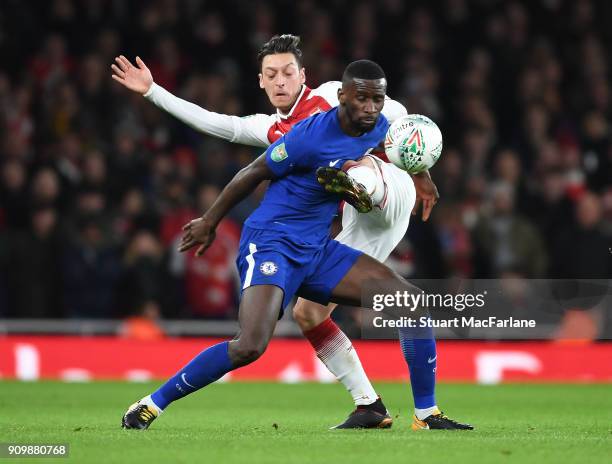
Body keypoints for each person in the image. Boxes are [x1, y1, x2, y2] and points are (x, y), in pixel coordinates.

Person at [120, 58, 472, 431]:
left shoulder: (379, 125)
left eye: (377, 100)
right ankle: (151, 404)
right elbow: (252, 172)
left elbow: (398, 143)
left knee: (410, 304)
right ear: (342, 96)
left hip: (318, 250)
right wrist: (210, 221)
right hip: (273, 243)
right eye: (362, 99)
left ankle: (426, 415)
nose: (370, 108)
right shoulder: (308, 136)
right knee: (249, 346)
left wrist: (423, 178)